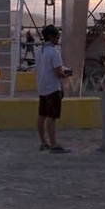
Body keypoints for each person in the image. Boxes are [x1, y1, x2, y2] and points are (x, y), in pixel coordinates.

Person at [35, 24, 69, 153]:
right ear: (51, 37)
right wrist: (66, 74)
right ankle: (54, 144)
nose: (58, 38)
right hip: (53, 88)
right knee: (52, 117)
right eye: (57, 36)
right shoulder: (54, 53)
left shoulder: (40, 52)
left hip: (42, 86)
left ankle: (44, 142)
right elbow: (58, 72)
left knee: (42, 115)